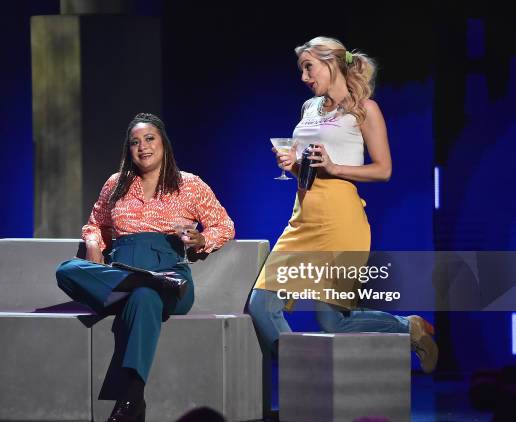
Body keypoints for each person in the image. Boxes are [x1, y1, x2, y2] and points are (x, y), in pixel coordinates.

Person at [247, 36, 438, 374]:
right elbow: (308, 167)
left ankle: (408, 328)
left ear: (331, 62)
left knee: (333, 320)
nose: (304, 77)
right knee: (261, 304)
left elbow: (384, 170)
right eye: (302, 69)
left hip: (341, 218)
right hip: (303, 215)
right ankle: (302, 374)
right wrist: (292, 164)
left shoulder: (365, 108)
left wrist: (335, 167)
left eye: (309, 67)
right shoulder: (309, 108)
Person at [56, 113, 235, 422]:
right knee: (67, 270)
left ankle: (130, 399)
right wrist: (95, 244)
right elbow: (95, 224)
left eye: (149, 139)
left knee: (146, 294)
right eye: (135, 142)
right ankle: (134, 285)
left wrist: (200, 240)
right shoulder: (116, 184)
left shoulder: (190, 185)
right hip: (123, 272)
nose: (143, 147)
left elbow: (225, 226)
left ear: (163, 142)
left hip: (170, 276)